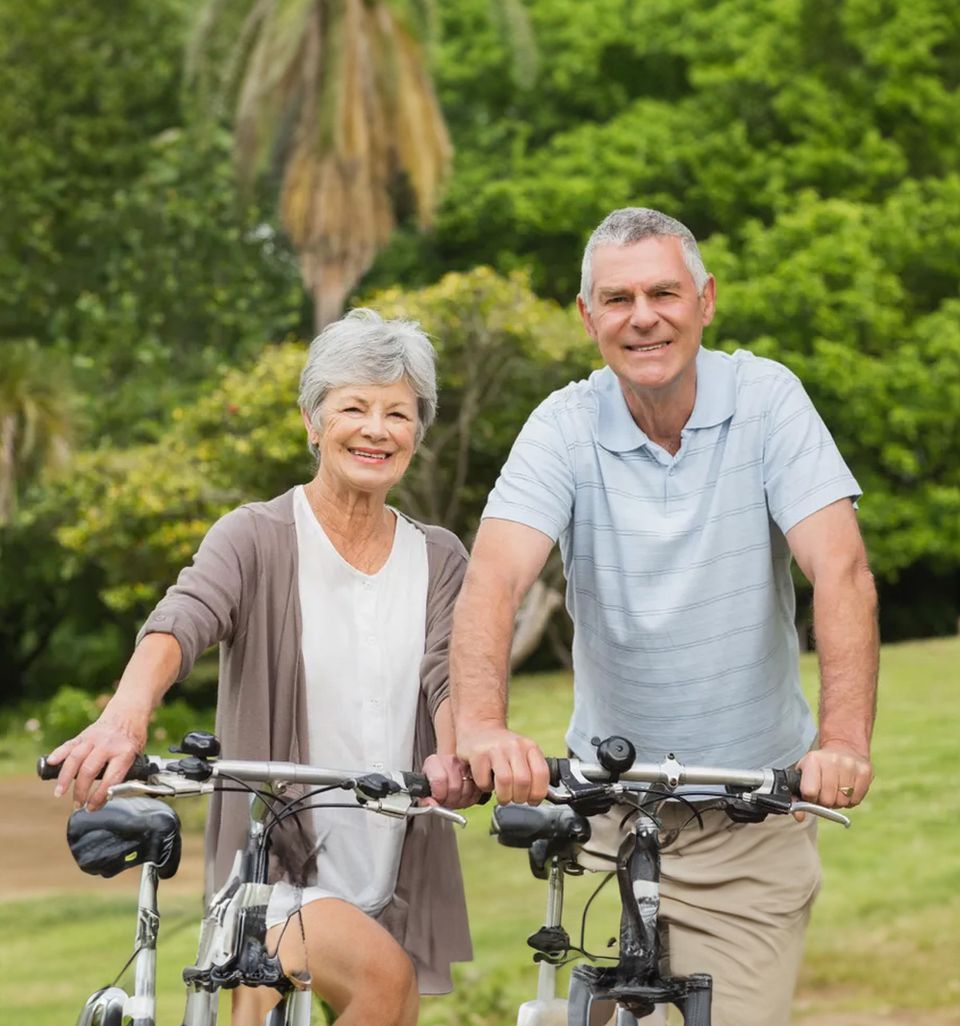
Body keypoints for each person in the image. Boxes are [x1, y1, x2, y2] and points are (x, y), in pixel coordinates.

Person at [450, 207, 879, 1026]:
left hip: (753, 816)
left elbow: (842, 570)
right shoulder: (564, 426)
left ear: (706, 301)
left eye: (663, 293)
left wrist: (844, 743)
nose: (642, 317)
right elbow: (494, 580)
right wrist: (480, 725)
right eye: (616, 299)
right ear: (587, 317)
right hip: (611, 815)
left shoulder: (766, 399)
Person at [48, 308, 480, 1026]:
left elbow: (447, 674)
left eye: (398, 414)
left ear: (417, 434)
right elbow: (180, 622)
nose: (377, 429)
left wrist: (456, 755)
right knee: (385, 984)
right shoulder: (257, 536)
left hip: (392, 865)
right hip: (275, 871)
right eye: (354, 407)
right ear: (313, 421)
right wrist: (126, 715)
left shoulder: (439, 557)